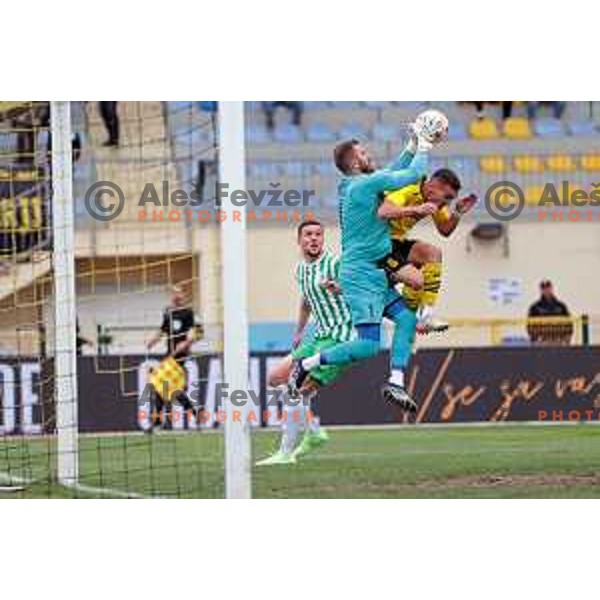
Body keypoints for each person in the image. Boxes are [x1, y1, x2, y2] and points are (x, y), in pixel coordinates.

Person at [290, 120, 443, 411]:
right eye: (363, 152)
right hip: (361, 274)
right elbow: (410, 175)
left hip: (372, 271)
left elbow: (391, 173)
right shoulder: (363, 184)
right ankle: (308, 363)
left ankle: (396, 382)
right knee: (369, 345)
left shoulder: (355, 184)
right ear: (355, 162)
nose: (368, 154)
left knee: (408, 319)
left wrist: (411, 145)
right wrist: (424, 146)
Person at [256, 220, 351, 466]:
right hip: (317, 335)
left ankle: (286, 453)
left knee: (296, 391)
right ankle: (314, 430)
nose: (314, 238)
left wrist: (338, 288)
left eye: (318, 234)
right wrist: (299, 331)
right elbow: (307, 300)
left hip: (340, 337)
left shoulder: (334, 264)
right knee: (275, 378)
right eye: (308, 234)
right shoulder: (301, 270)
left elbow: (355, 290)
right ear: (299, 240)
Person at [381, 170, 478, 332]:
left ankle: (426, 315)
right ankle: (402, 315)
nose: (446, 203)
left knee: (433, 253)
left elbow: (445, 230)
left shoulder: (437, 202)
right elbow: (384, 211)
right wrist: (416, 210)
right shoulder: (408, 188)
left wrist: (458, 212)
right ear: (434, 186)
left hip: (397, 242)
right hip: (378, 243)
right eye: (447, 197)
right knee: (417, 280)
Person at [146, 284, 200, 430]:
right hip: (169, 354)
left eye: (179, 293)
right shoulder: (168, 313)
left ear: (183, 295)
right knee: (169, 389)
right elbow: (162, 330)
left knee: (160, 383)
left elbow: (193, 332)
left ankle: (158, 420)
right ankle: (195, 415)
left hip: (180, 356)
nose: (176, 296)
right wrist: (152, 340)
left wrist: (186, 342)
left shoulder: (188, 313)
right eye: (174, 293)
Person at [527, 280, 573, 345]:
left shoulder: (561, 306)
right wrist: (535, 339)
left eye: (548, 287)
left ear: (551, 288)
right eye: (544, 288)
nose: (546, 290)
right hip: (542, 342)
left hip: (558, 341)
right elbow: (530, 326)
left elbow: (569, 324)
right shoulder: (535, 307)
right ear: (541, 290)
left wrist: (567, 338)